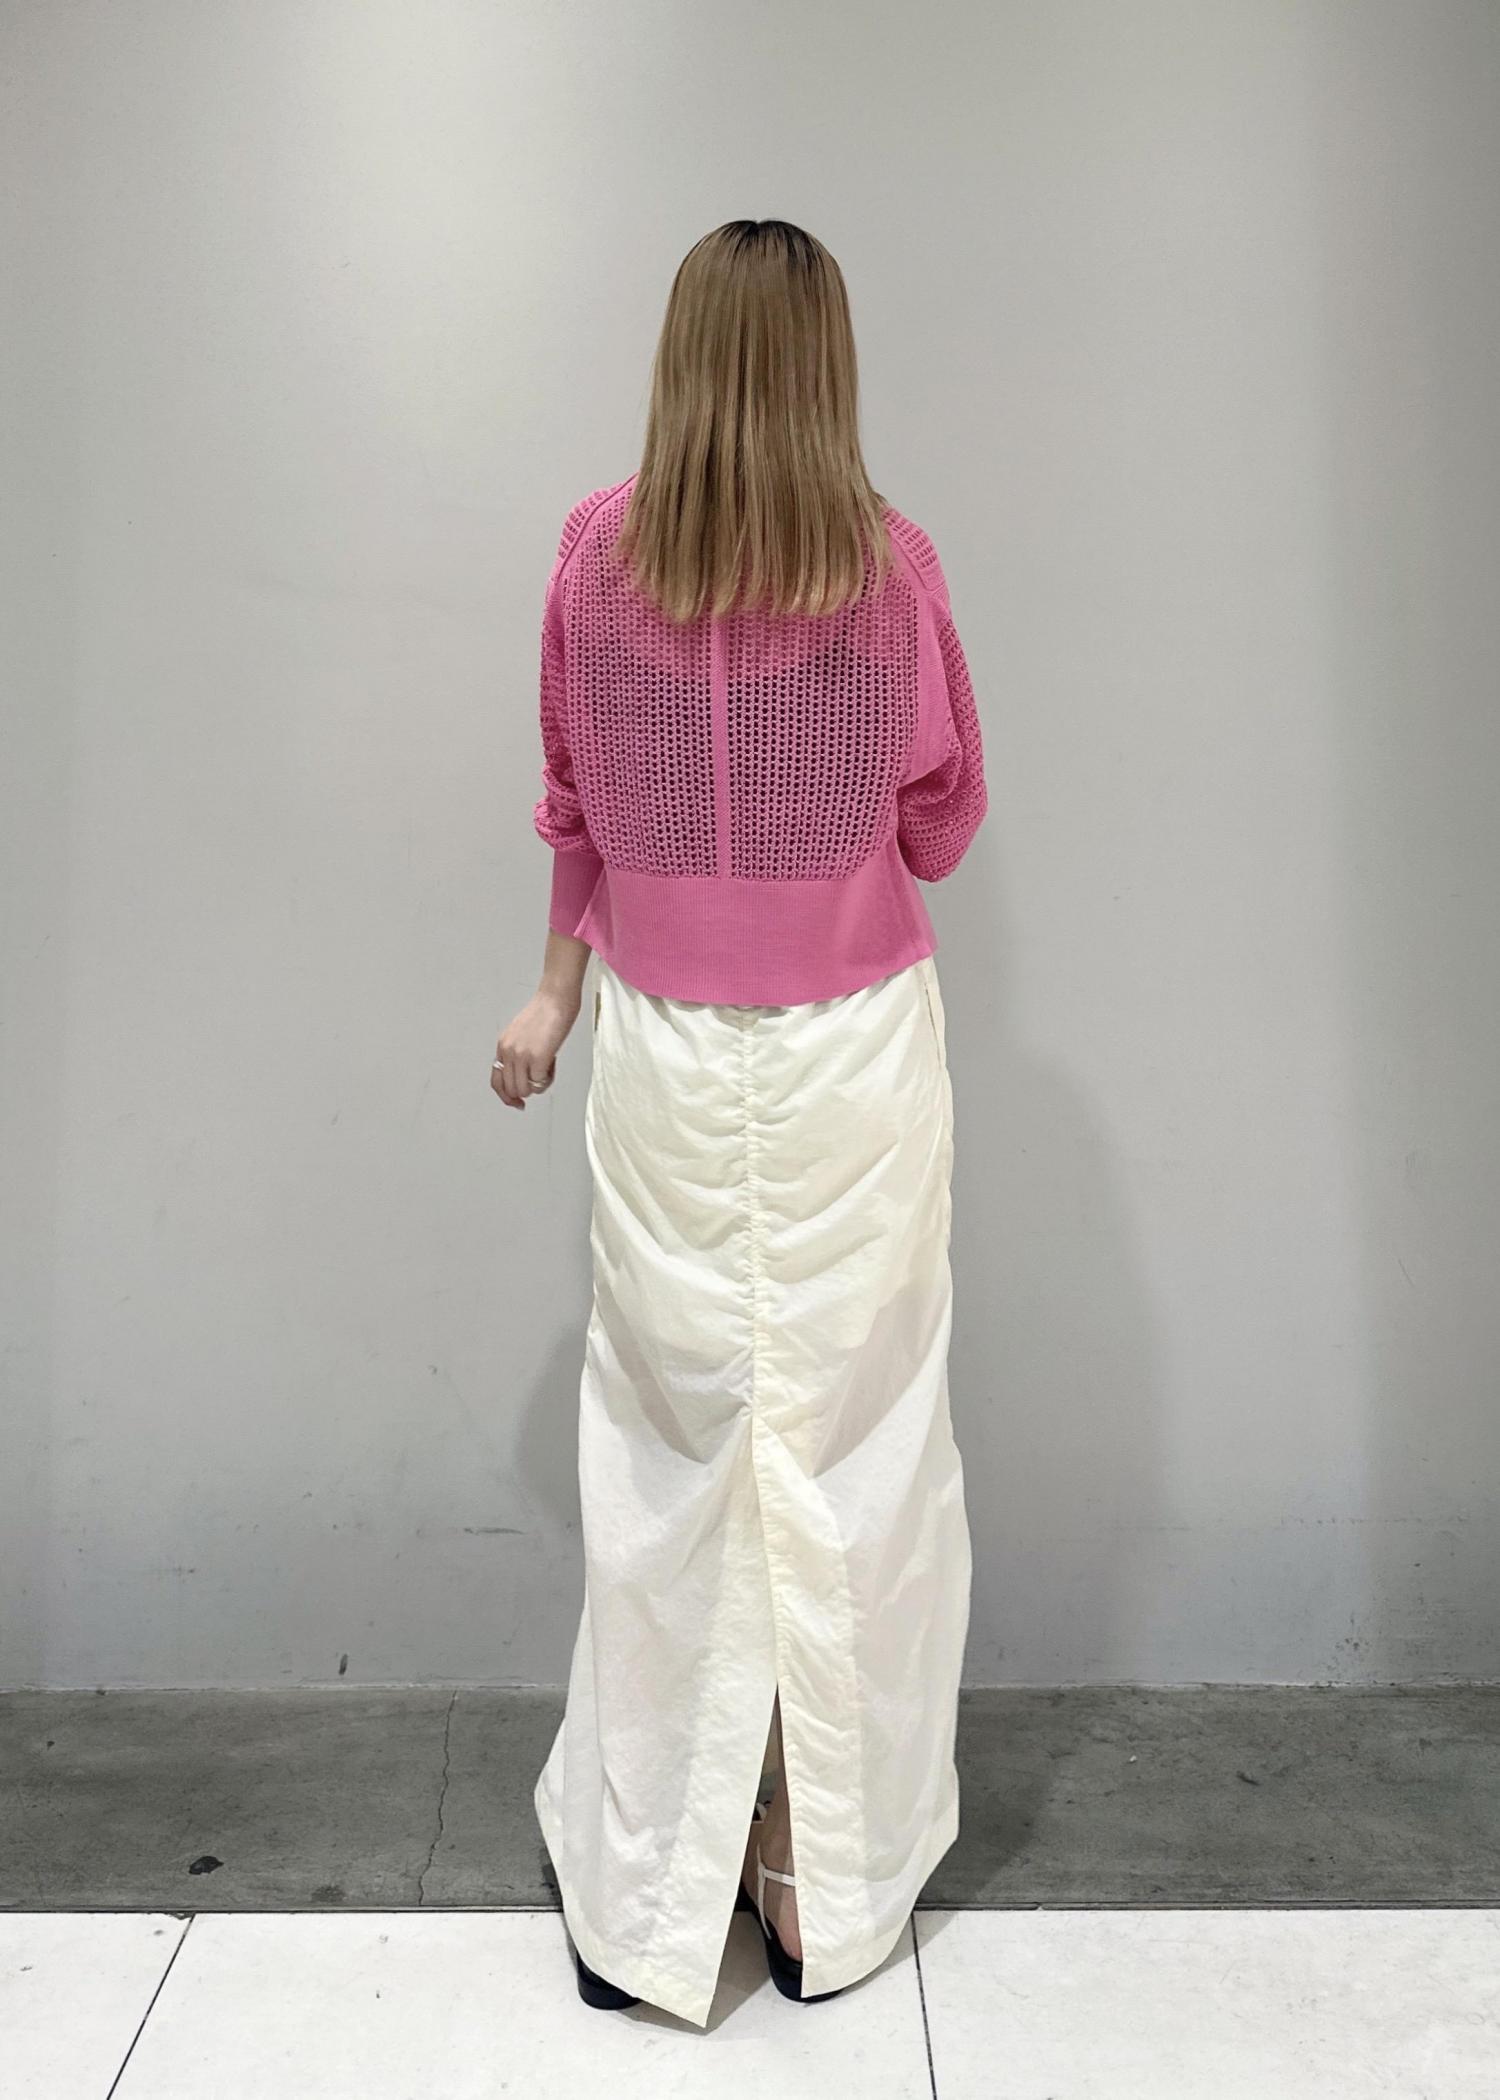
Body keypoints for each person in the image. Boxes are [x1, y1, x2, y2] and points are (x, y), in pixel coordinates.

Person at [491, 218, 988, 2028]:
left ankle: (646, 1901)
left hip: (666, 1060)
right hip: (852, 1055)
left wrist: (553, 993)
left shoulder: (591, 554)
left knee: (672, 1455)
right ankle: (818, 1887)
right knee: (858, 1463)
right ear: (827, 364)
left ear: (681, 354)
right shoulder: (894, 566)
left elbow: (571, 802)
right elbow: (941, 822)